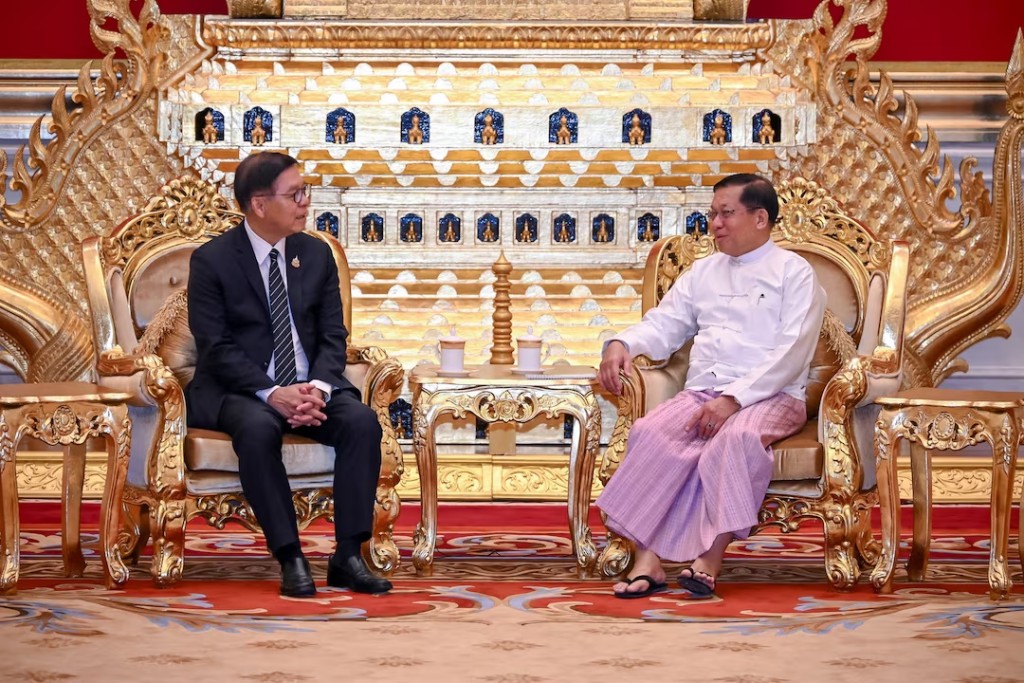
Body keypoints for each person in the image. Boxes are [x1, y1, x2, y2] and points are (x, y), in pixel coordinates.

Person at [596, 173, 825, 599]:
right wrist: (621, 342)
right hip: (703, 393)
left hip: (771, 396)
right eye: (712, 214)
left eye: (726, 214)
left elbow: (792, 351)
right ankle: (650, 562)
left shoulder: (794, 273)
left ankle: (710, 558)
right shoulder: (703, 272)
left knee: (734, 440)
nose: (715, 224)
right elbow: (665, 326)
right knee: (650, 432)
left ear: (760, 218)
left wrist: (733, 400)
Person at [187, 152, 392, 597]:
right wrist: (273, 392)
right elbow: (215, 348)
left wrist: (315, 389)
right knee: (258, 430)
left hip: (311, 385)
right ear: (259, 205)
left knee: (361, 422)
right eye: (296, 194)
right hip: (242, 390)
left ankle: (348, 556)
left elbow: (334, 336)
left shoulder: (315, 254)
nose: (306, 202)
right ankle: (291, 557)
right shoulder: (212, 261)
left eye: (306, 191)